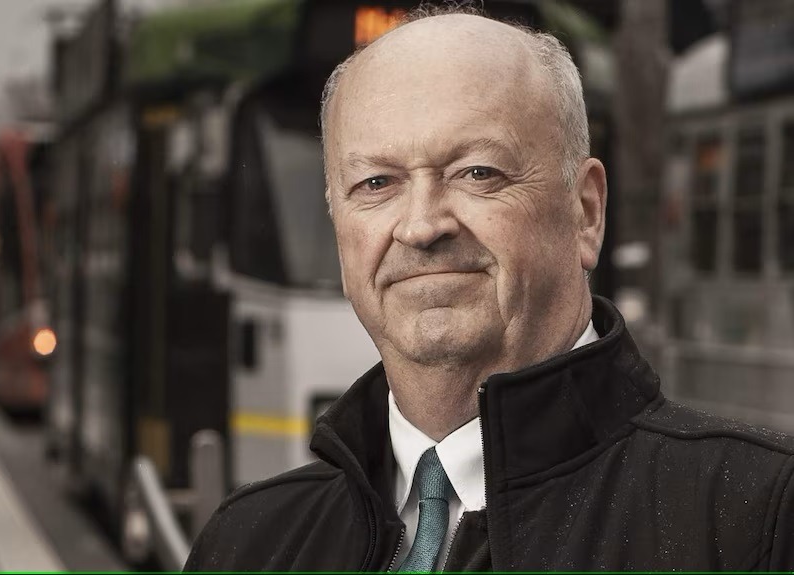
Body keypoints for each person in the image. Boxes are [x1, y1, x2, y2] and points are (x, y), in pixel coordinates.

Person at [185, 7, 794, 571]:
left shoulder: (762, 521)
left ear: (585, 212)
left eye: (477, 173)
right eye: (376, 183)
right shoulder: (244, 545)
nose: (421, 226)